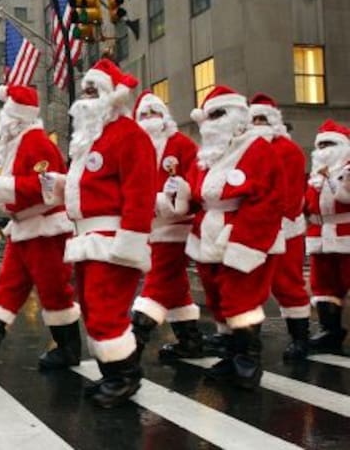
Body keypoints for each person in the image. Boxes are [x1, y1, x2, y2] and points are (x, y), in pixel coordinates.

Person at [43, 59, 155, 408]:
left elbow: (141, 192)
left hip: (113, 240)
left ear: (113, 95)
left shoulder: (129, 135)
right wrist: (58, 184)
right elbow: (87, 188)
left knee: (107, 310)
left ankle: (125, 377)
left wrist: (130, 243)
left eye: (95, 90)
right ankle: (113, 374)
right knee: (92, 309)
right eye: (86, 89)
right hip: (86, 242)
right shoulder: (89, 138)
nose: (88, 95)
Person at [0, 84, 80, 369]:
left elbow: (49, 185)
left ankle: (68, 348)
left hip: (45, 228)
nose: (2, 118)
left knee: (53, 289)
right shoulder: (17, 143)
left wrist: (6, 186)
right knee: (8, 286)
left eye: (6, 111)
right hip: (23, 226)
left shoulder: (35, 141)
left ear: (17, 115)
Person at [182, 85, 284, 390]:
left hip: (243, 237)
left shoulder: (258, 149)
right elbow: (197, 193)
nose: (211, 122)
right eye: (208, 116)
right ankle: (230, 356)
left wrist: (244, 244)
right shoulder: (208, 155)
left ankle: (247, 362)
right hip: (208, 237)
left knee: (241, 299)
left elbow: (267, 201)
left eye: (218, 114)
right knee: (218, 299)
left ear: (238, 116)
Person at [128, 90, 203, 362]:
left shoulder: (181, 144)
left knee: (157, 282)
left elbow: (197, 183)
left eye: (155, 113)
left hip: (176, 226)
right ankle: (190, 340)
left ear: (165, 116)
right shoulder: (134, 149)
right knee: (175, 284)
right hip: (149, 227)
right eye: (144, 115)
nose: (149, 119)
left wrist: (175, 196)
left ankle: (134, 342)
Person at [249, 93, 310, 360]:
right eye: (255, 119)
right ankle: (248, 338)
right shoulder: (244, 150)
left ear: (274, 121)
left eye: (263, 118)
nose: (259, 123)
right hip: (252, 229)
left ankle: (300, 338)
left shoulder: (289, 151)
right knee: (250, 286)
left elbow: (292, 196)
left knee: (288, 284)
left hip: (285, 229)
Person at [304, 120, 350, 353]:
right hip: (320, 237)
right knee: (323, 286)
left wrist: (331, 178)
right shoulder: (315, 176)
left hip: (346, 235)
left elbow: (345, 197)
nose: (323, 150)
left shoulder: (347, 169)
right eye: (320, 145)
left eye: (329, 144)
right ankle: (329, 331)